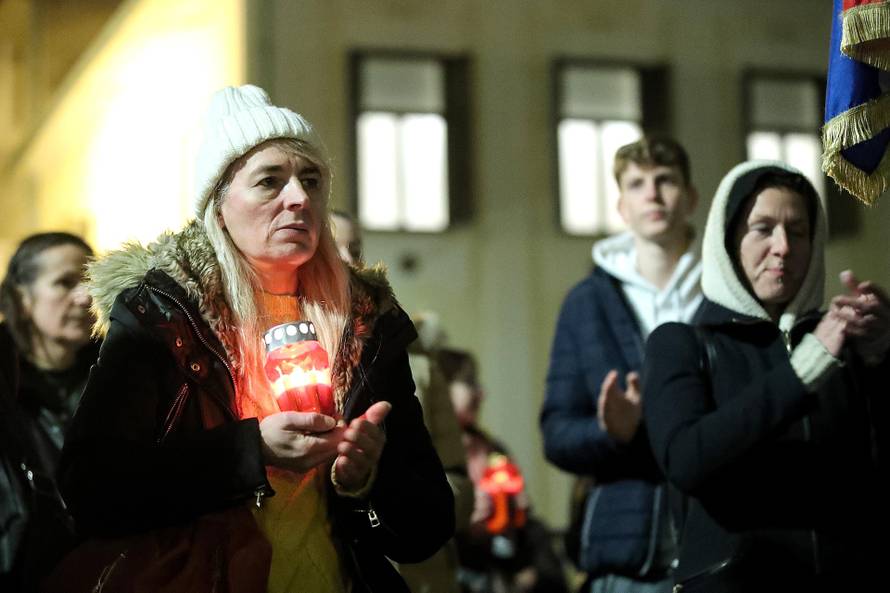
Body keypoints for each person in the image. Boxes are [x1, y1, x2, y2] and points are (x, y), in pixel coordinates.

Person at [55, 85, 454, 593]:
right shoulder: (164, 317)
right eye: (270, 182)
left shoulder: (365, 324)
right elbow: (90, 489)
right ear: (219, 207)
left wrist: (365, 482)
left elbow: (426, 530)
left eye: (311, 180)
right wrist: (251, 453)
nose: (299, 198)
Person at [642, 161, 890, 591]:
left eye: (798, 231)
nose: (783, 247)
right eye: (762, 228)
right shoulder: (682, 344)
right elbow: (686, 460)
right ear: (728, 239)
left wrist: (882, 356)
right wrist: (805, 369)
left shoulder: (842, 344)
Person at [540, 136, 701, 592]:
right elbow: (556, 433)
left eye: (665, 180)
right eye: (637, 184)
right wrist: (612, 433)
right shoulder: (587, 303)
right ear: (622, 207)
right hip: (625, 554)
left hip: (714, 541)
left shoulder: (725, 295)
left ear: (690, 198)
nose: (651, 193)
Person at [330, 210, 473, 593]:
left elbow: (453, 475)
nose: (348, 260)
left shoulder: (415, 365)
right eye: (333, 247)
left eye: (355, 249)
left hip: (416, 570)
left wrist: (396, 498)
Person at [0, 232, 97, 592]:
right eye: (64, 283)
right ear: (23, 299)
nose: (85, 296)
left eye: (89, 280)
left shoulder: (119, 371)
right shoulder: (6, 391)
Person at [440, 347, 568, 593]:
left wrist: (518, 513)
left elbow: (523, 520)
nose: (482, 393)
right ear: (442, 389)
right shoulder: (432, 453)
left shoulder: (493, 448)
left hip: (501, 573)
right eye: (469, 383)